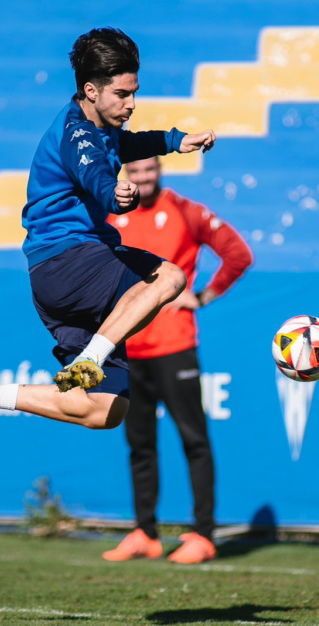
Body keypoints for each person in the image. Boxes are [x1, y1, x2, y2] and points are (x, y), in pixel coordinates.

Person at [0, 27, 216, 432]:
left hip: (51, 281)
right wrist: (116, 195)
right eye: (123, 94)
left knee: (104, 410)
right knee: (169, 277)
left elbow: (122, 146)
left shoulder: (98, 128)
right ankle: (91, 357)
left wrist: (175, 140)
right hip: (71, 260)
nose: (132, 103)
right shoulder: (77, 134)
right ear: (91, 90)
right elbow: (96, 172)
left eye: (135, 92)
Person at [101, 155, 253, 564]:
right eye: (135, 172)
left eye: (150, 170)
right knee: (139, 444)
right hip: (130, 348)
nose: (144, 178)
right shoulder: (113, 216)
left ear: (160, 170)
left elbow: (238, 254)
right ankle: (145, 533)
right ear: (126, 175)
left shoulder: (185, 211)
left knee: (194, 440)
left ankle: (203, 535)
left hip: (175, 346)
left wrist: (201, 297)